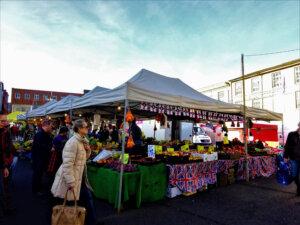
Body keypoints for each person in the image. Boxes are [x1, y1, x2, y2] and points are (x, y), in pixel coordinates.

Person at [51, 119, 99, 225]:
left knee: (85, 200)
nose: (88, 128)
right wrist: (71, 182)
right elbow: (67, 164)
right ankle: (67, 220)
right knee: (76, 201)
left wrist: (87, 150)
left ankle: (88, 221)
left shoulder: (82, 141)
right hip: (73, 177)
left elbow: (83, 159)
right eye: (86, 127)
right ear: (79, 129)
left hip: (79, 176)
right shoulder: (72, 142)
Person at [31, 120, 53, 195]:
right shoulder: (39, 134)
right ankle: (36, 190)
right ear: (47, 125)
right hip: (38, 158)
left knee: (39, 174)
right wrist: (50, 148)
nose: (51, 127)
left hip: (42, 157)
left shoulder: (44, 133)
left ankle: (39, 187)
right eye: (50, 125)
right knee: (37, 174)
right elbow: (39, 145)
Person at [0, 111, 12, 220]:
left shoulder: (4, 133)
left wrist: (5, 166)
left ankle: (5, 210)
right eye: (2, 121)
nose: (5, 123)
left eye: (6, 121)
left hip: (2, 165)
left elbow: (4, 151)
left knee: (3, 188)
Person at [284, 122, 300, 196]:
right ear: (298, 125)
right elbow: (287, 146)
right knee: (294, 175)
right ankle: (299, 187)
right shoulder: (292, 134)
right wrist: (285, 156)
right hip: (293, 158)